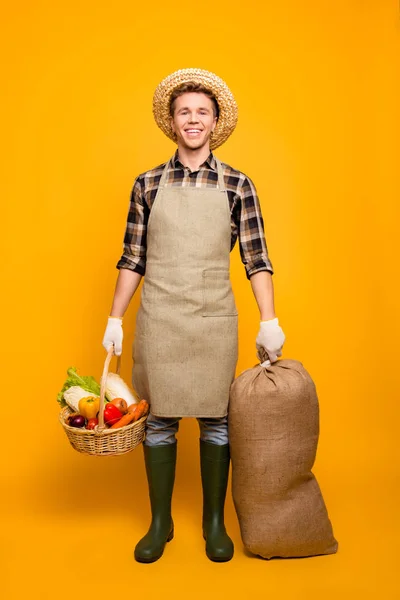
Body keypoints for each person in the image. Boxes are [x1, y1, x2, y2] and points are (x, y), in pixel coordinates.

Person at [102, 68, 285, 563]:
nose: (193, 119)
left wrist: (269, 319)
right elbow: (132, 258)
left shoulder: (237, 184)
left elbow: (256, 257)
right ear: (172, 120)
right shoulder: (148, 183)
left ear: (215, 121)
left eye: (202, 111)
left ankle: (213, 524)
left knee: (216, 422)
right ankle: (160, 524)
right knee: (158, 422)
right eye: (184, 111)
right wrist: (115, 319)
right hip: (159, 318)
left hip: (213, 319)